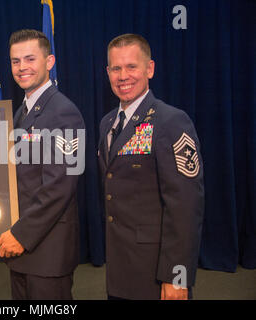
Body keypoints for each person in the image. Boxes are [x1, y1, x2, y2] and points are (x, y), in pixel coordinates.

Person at [97, 33, 205, 300]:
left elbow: (185, 205)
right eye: (116, 68)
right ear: (107, 72)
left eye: (132, 66)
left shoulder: (170, 121)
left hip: (158, 274)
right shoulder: (107, 123)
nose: (123, 76)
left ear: (150, 68)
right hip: (120, 270)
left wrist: (176, 276)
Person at [0, 29, 85, 300]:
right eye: (15, 61)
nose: (22, 68)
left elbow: (60, 187)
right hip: (23, 246)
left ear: (49, 61)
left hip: (47, 250)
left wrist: (20, 234)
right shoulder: (22, 112)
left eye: (30, 59)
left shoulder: (63, 112)